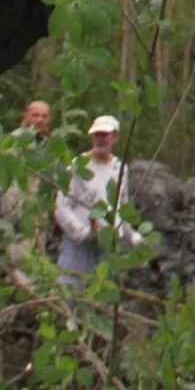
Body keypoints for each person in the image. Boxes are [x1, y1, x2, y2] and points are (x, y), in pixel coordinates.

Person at [54, 115, 143, 283]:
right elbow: (61, 208)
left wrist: (132, 237)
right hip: (79, 244)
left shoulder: (120, 167)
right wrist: (84, 233)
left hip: (109, 243)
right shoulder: (77, 166)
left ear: (115, 137)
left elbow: (121, 206)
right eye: (97, 135)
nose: (100, 139)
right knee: (71, 291)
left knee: (104, 294)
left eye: (105, 134)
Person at [0, 100, 55, 276]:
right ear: (25, 116)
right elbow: (6, 179)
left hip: (40, 211)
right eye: (35, 115)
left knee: (38, 256)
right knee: (19, 257)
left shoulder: (49, 144)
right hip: (19, 209)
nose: (40, 119)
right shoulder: (14, 141)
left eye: (44, 116)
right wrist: (14, 210)